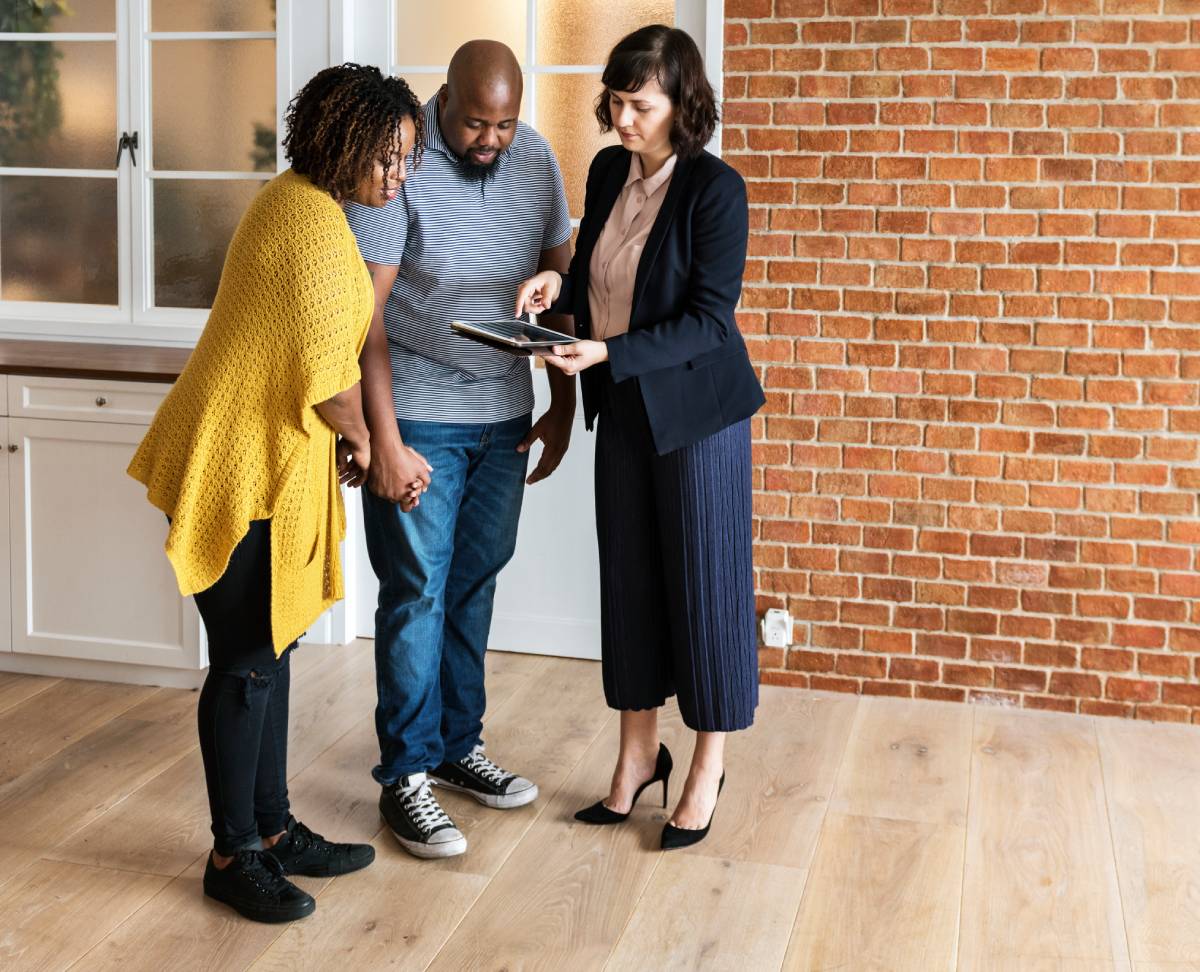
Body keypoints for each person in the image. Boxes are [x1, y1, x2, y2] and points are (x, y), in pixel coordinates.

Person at [127, 64, 425, 922]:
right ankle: (232, 854)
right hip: (240, 462)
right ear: (341, 140)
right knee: (247, 664)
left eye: (405, 158)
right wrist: (373, 447)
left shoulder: (305, 203)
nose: (396, 173)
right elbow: (330, 381)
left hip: (265, 457)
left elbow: (320, 368)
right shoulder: (310, 227)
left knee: (271, 646)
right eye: (386, 154)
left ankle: (270, 829)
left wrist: (358, 442)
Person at [515, 25, 765, 850]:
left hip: (698, 420)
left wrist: (607, 351)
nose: (622, 119)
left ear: (682, 104)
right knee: (628, 584)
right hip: (620, 406)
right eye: (616, 102)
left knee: (705, 589)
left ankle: (707, 764)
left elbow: (706, 321)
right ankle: (635, 758)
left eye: (641, 104)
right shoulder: (605, 170)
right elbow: (595, 268)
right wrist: (559, 285)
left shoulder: (715, 190)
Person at [344, 40, 575, 860]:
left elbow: (559, 285)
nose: (492, 140)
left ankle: (453, 746)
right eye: (478, 123)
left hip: (504, 416)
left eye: (506, 124)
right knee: (415, 592)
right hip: (420, 417)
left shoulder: (538, 158)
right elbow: (364, 321)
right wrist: (385, 441)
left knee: (473, 584)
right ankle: (405, 774)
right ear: (445, 101)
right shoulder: (399, 164)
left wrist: (560, 404)